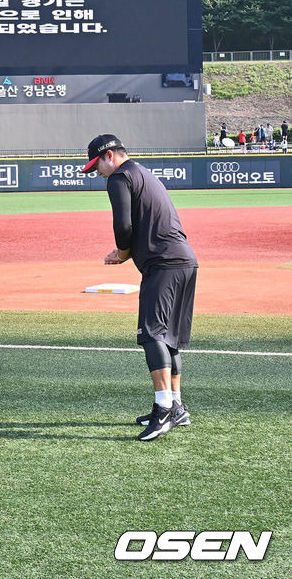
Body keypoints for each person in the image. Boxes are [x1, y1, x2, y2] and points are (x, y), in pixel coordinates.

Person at [82, 134, 198, 442]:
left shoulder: (120, 177)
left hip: (163, 264)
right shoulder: (144, 173)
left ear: (109, 156)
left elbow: (123, 226)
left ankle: (165, 409)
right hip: (184, 261)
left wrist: (121, 254)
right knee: (168, 338)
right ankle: (176, 404)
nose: (98, 173)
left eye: (97, 167)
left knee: (151, 334)